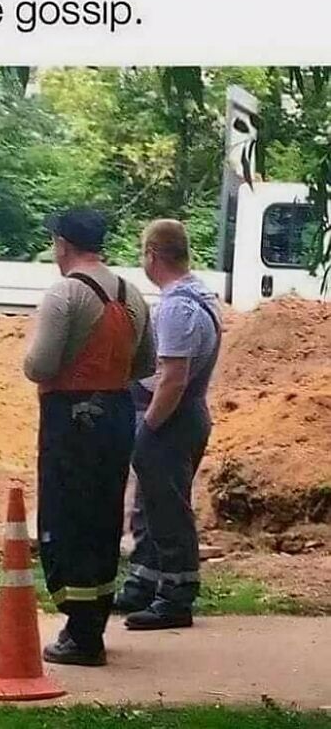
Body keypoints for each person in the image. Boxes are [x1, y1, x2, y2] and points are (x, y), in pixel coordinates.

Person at [24, 208, 155, 666]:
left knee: (68, 518)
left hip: (72, 419)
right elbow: (146, 365)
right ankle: (93, 621)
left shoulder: (65, 294)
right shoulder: (132, 292)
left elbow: (38, 366)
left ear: (62, 244)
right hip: (117, 416)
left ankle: (80, 635)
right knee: (102, 518)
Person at [114, 219, 222, 630]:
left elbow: (173, 377)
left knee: (167, 508)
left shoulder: (178, 306)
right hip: (181, 415)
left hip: (171, 418)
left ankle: (176, 596)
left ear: (153, 255)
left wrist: (148, 428)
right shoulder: (200, 293)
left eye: (144, 253)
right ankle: (144, 582)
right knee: (149, 505)